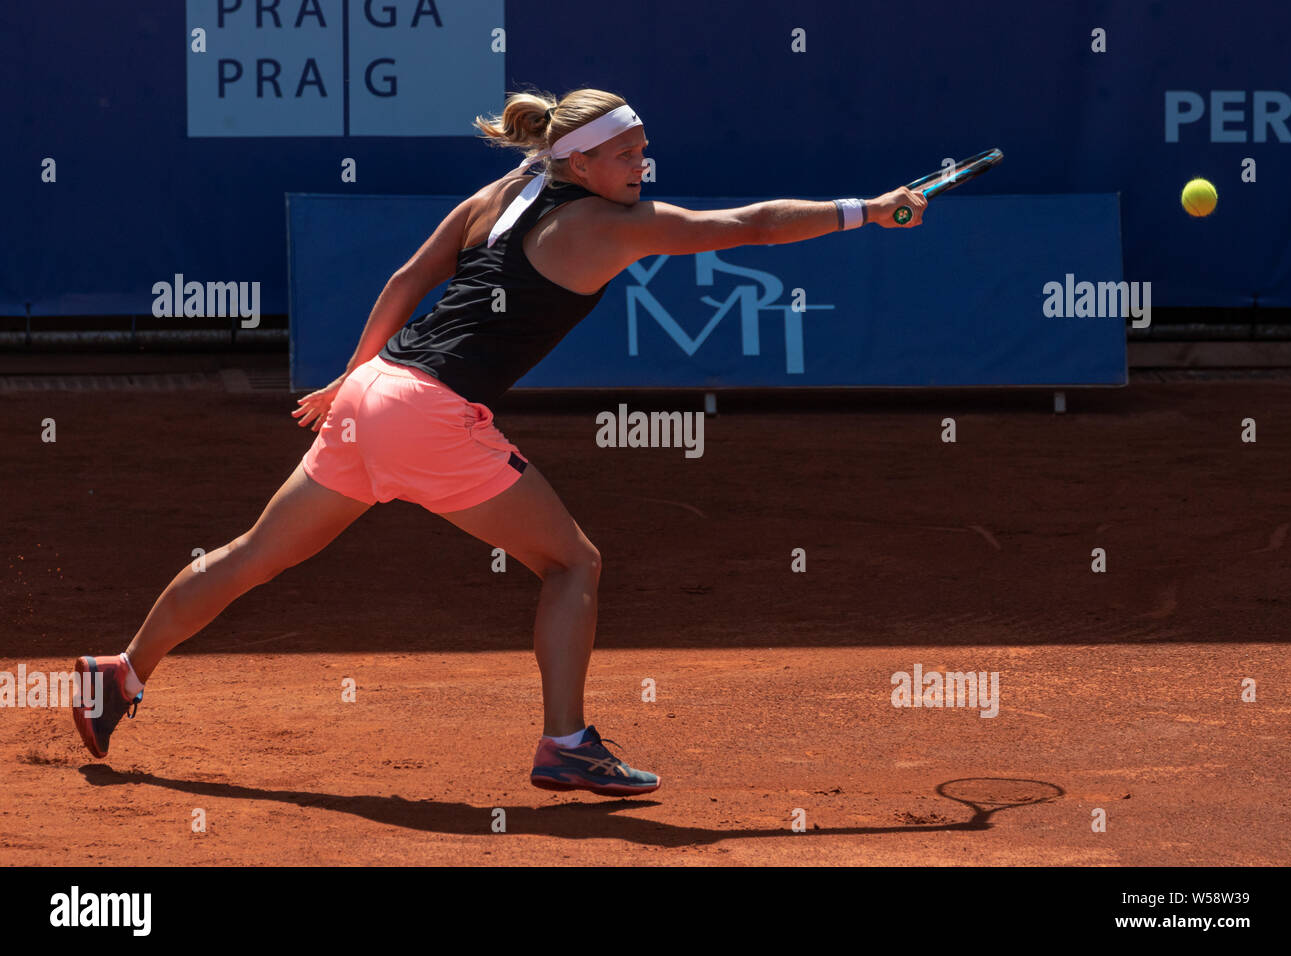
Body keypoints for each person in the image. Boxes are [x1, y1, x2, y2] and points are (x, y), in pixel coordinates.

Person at [71, 87, 926, 797]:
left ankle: (121, 671)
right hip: (430, 411)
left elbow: (409, 281)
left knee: (254, 554)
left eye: (642, 151)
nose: (641, 167)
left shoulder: (502, 196)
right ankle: (565, 744)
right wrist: (868, 211)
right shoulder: (607, 224)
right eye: (625, 155)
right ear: (580, 162)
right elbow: (752, 226)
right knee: (574, 563)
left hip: (377, 393)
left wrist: (351, 377)